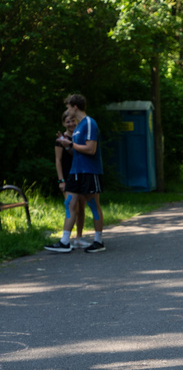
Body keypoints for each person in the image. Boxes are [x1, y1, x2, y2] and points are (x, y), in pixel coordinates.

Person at [45, 94, 106, 253]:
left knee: (93, 205)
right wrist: (67, 146)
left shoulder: (89, 123)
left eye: (68, 107)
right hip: (75, 172)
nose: (67, 110)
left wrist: (70, 143)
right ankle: (65, 242)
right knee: (70, 204)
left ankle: (98, 241)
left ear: (75, 107)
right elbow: (77, 151)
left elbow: (91, 149)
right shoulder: (78, 127)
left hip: (89, 172)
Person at [54, 110, 88, 249]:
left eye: (73, 120)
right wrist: (61, 180)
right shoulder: (60, 139)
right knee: (71, 207)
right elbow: (58, 160)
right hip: (67, 178)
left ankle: (78, 238)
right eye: (67, 121)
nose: (71, 123)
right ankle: (65, 239)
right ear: (63, 123)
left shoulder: (80, 137)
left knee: (81, 208)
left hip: (81, 176)